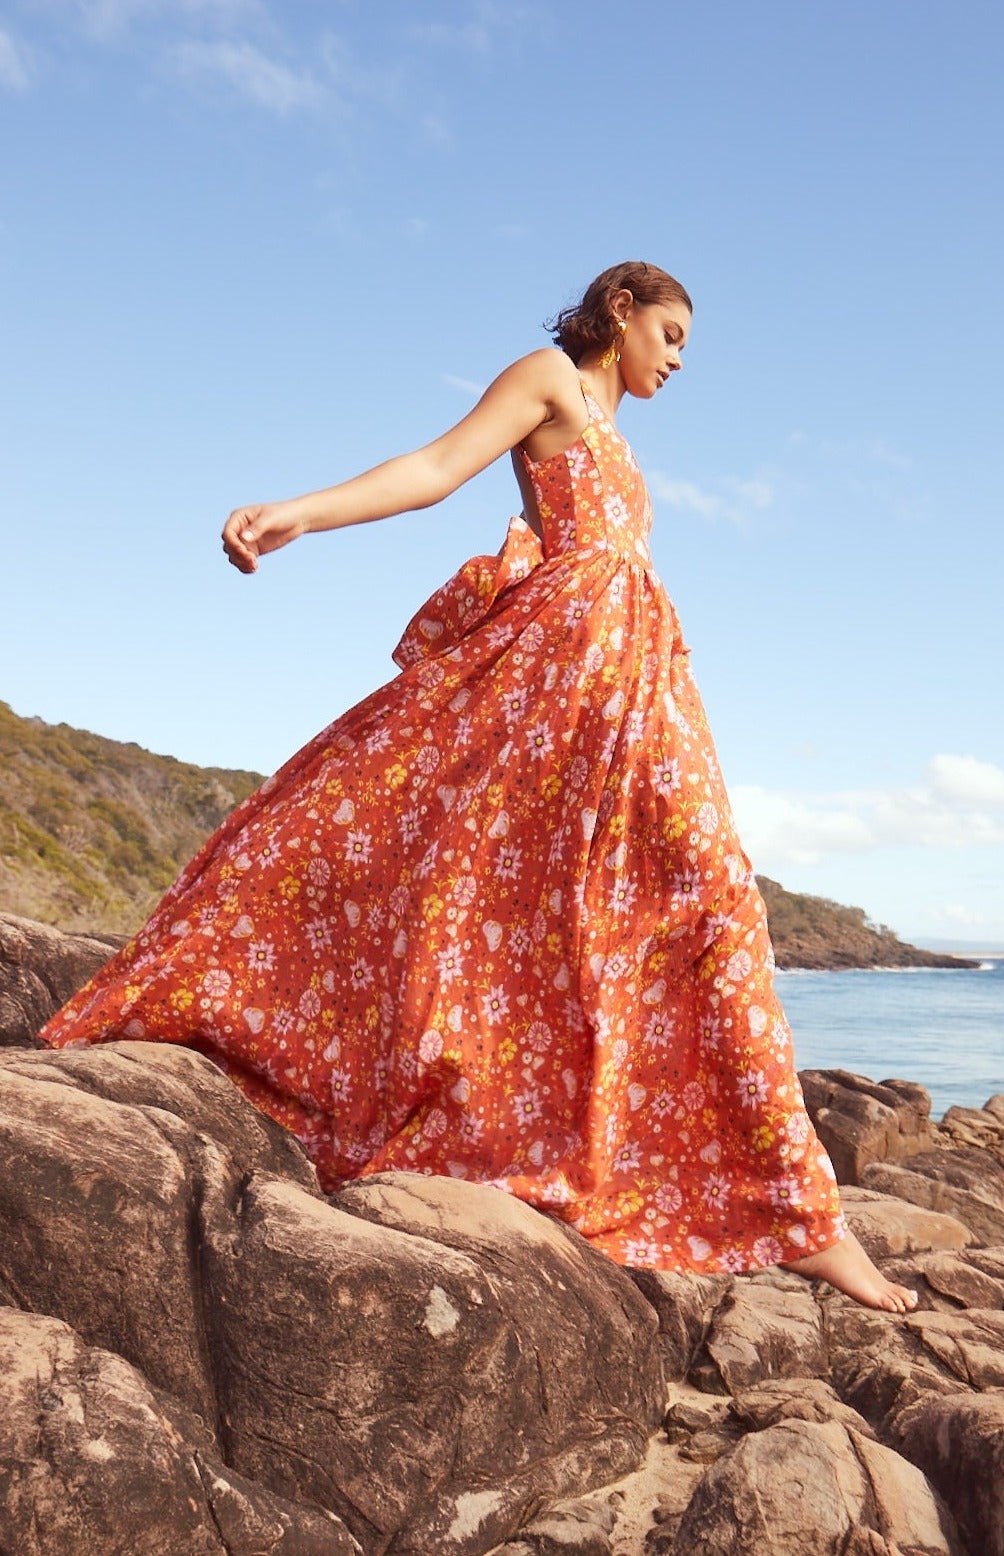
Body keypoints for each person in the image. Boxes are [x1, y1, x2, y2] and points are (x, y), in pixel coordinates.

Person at [36, 260, 917, 1314]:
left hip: (631, 691)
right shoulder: (547, 377)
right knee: (416, 848)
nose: (677, 360)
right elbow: (436, 464)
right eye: (670, 334)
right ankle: (797, 1214)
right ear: (621, 310)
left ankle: (791, 1207)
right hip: (548, 684)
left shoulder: (621, 435)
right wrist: (300, 514)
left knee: (705, 905)